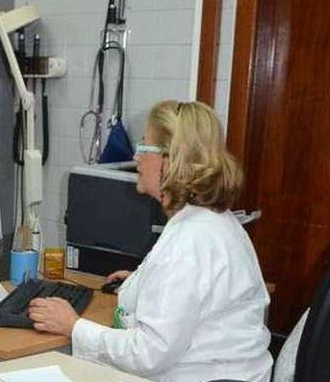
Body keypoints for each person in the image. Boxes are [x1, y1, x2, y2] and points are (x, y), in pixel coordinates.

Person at [29, 100, 273, 381]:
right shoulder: (214, 220)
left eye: (144, 146)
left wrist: (73, 326)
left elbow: (149, 355)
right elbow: (193, 293)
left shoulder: (190, 241)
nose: (136, 157)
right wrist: (145, 281)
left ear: (171, 160)